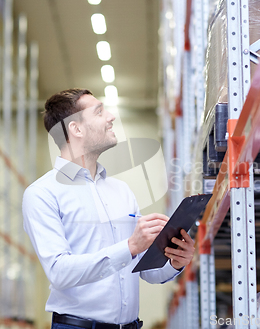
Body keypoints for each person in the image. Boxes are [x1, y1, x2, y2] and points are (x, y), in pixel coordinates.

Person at [22, 88, 195, 329]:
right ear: (76, 129)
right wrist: (130, 246)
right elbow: (59, 272)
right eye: (100, 112)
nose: (111, 116)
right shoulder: (42, 193)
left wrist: (175, 262)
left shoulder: (121, 190)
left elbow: (145, 271)